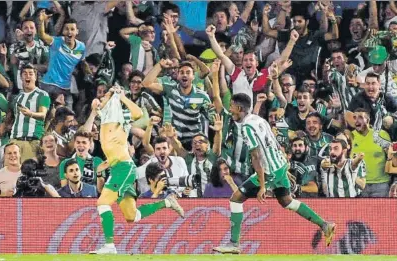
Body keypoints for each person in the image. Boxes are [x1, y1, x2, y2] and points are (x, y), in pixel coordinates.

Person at [213, 93, 336, 254]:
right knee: (287, 201)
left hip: (269, 171)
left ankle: (233, 243)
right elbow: (276, 144)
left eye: (232, 107)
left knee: (236, 199)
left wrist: (263, 185)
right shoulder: (259, 120)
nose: (230, 110)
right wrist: (284, 167)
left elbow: (256, 156)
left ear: (239, 108)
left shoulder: (247, 127)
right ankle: (325, 225)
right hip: (278, 166)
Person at [90, 85, 184, 254]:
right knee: (131, 216)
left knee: (103, 203)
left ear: (112, 100)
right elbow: (95, 105)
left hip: (124, 168)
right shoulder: (104, 115)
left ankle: (109, 246)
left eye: (105, 97)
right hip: (116, 168)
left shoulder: (120, 115)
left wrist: (121, 95)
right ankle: (167, 202)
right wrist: (102, 99)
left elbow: (138, 113)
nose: (100, 100)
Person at [0, 64, 50, 164]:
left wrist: (30, 113)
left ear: (35, 77)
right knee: (9, 172)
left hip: (31, 141)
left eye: (31, 74)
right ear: (21, 77)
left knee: (27, 175)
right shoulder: (17, 97)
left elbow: (43, 115)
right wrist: (3, 125)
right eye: (24, 74)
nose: (27, 76)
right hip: (14, 141)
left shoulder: (42, 94)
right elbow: (11, 116)